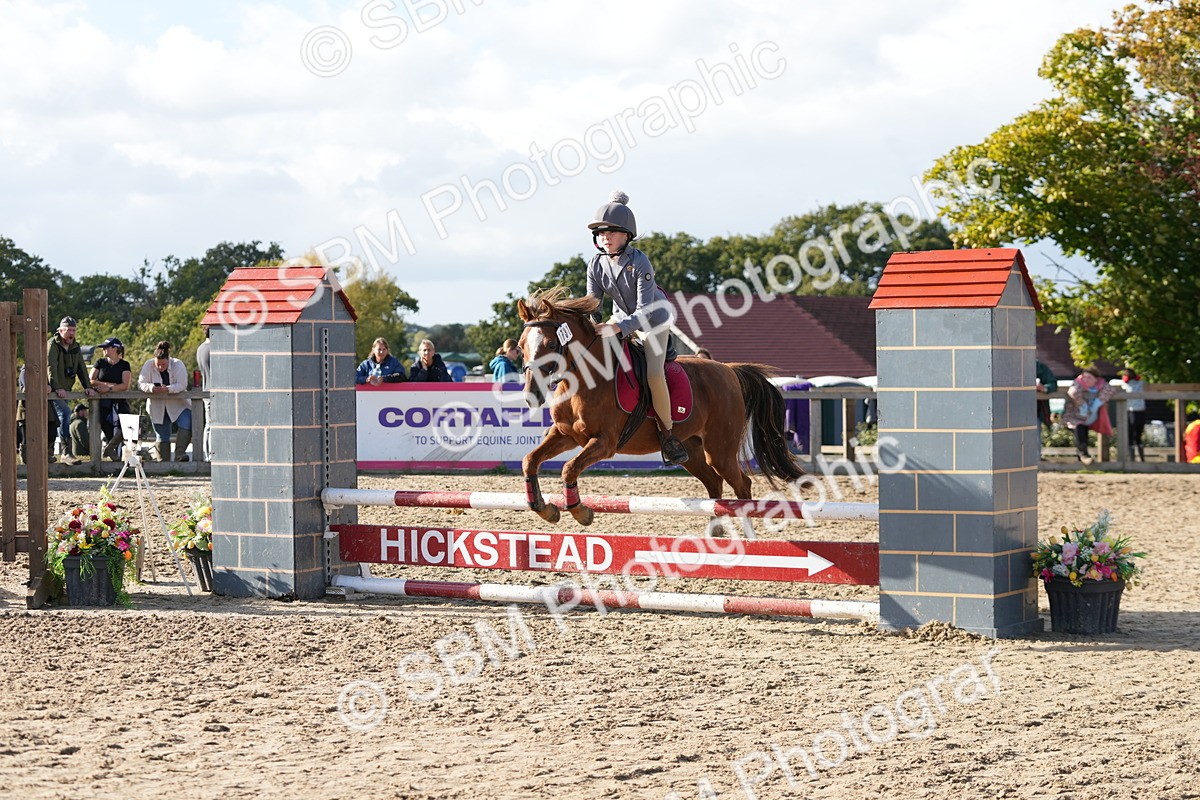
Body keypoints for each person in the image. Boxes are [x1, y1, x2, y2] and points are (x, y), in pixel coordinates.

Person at [585, 190, 687, 465]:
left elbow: (644, 310)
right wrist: (594, 327)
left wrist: (618, 330)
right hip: (621, 318)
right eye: (601, 233)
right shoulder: (595, 263)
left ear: (627, 235)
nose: (605, 237)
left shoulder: (640, 261)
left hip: (653, 320)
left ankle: (668, 435)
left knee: (654, 374)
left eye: (612, 232)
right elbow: (593, 305)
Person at [47, 316, 97, 464]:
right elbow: (51, 368)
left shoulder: (75, 347)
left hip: (65, 389)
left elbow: (81, 367)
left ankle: (51, 451)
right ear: (60, 330)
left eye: (73, 330)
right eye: (68, 329)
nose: (71, 333)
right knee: (65, 413)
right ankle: (65, 452)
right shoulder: (52, 345)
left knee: (56, 420)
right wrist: (57, 387)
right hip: (52, 389)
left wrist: (87, 386)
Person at [138, 340, 193, 462]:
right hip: (157, 405)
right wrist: (152, 388)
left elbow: (182, 385)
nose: (160, 367)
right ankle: (163, 463)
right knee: (162, 435)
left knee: (187, 424)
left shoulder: (178, 364)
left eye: (163, 364)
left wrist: (167, 389)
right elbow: (141, 383)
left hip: (179, 405)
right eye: (158, 364)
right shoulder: (148, 365)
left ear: (168, 359)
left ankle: (180, 454)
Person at [1061, 366, 1116, 464]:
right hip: (1075, 416)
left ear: (1096, 379)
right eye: (1084, 377)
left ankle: (1083, 456)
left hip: (1092, 417)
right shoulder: (1078, 383)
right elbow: (1073, 392)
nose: (1086, 380)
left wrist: (1096, 404)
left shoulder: (1101, 385)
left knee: (1084, 430)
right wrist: (1082, 404)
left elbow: (1110, 389)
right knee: (1079, 428)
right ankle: (1083, 454)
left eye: (1089, 377)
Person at [90, 337, 132, 461]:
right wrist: (112, 385)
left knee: (128, 425)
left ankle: (111, 448)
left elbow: (125, 385)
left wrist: (107, 387)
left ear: (115, 349)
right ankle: (111, 450)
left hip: (120, 400)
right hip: (104, 402)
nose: (104, 349)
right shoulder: (100, 362)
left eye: (106, 347)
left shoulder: (124, 364)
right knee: (102, 422)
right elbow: (91, 380)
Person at [1119, 368, 1147, 461]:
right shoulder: (1141, 383)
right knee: (1137, 436)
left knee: (1131, 436)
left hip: (1132, 411)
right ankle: (1139, 459)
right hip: (1140, 411)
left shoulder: (1125, 385)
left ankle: (1132, 459)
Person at [196, 328, 212, 460]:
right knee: (212, 424)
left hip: (206, 388)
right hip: (213, 391)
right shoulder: (213, 348)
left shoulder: (200, 348)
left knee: (209, 424)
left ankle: (208, 454)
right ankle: (210, 455)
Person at [1035, 360, 1055, 443]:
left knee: (1035, 435)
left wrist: (1044, 388)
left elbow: (1053, 384)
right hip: (1013, 409)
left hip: (1036, 409)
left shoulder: (1039, 366)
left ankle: (1036, 455)